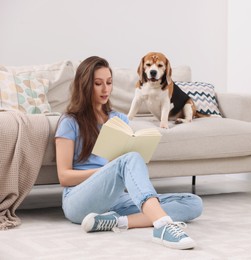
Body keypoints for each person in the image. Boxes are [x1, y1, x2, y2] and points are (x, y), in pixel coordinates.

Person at [55, 56, 203, 250]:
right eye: (98, 84)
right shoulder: (70, 121)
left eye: (109, 83)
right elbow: (64, 177)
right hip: (79, 199)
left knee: (193, 203)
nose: (105, 89)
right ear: (84, 85)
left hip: (115, 198)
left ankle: (117, 222)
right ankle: (163, 226)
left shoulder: (119, 118)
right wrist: (109, 170)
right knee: (130, 159)